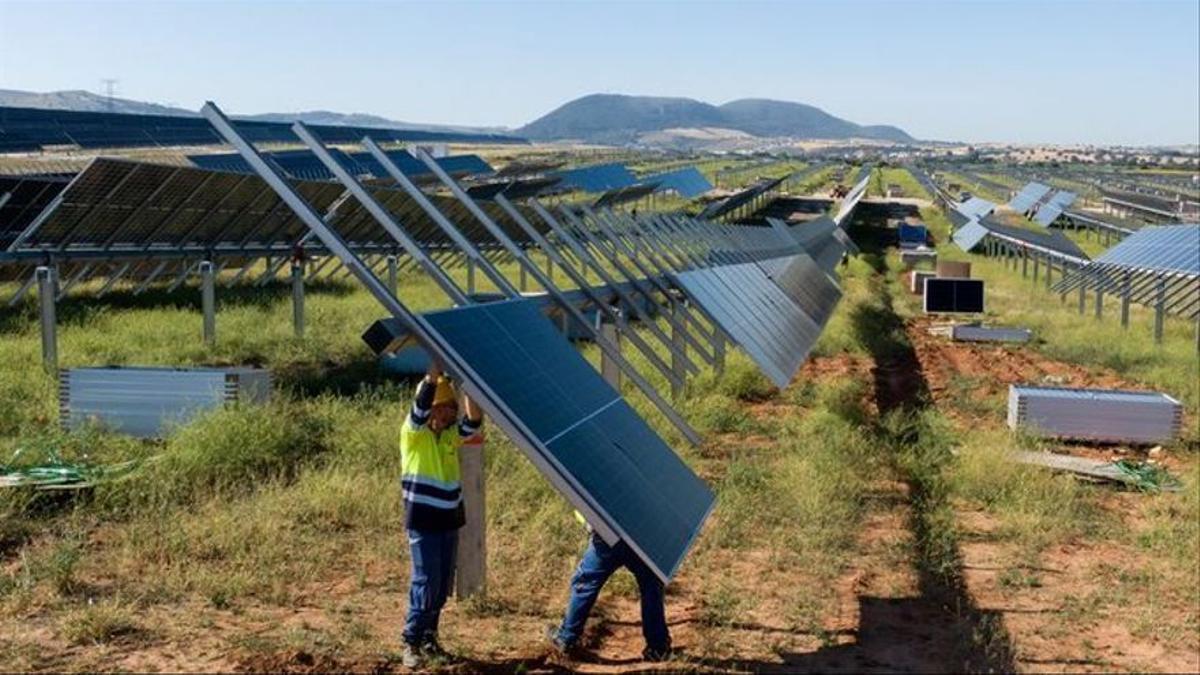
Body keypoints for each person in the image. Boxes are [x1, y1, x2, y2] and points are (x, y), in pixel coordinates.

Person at [400, 361, 482, 668]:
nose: (448, 414)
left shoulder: (449, 436)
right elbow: (420, 405)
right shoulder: (414, 433)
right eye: (442, 408)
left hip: (449, 520)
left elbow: (474, 420)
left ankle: (430, 638)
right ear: (431, 409)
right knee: (426, 582)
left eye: (450, 408)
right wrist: (433, 371)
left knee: (442, 584)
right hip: (423, 521)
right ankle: (410, 641)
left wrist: (468, 383)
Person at [546, 517, 672, 663]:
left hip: (607, 535)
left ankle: (566, 638)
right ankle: (658, 647)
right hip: (641, 535)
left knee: (586, 583)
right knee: (651, 586)